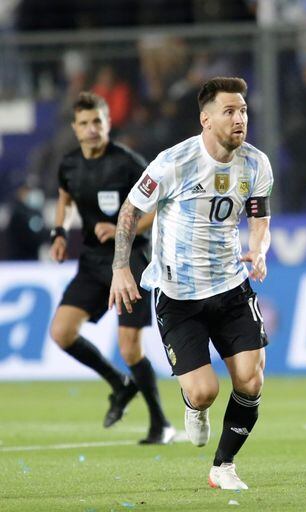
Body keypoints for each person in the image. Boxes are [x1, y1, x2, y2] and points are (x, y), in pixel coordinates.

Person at [109, 77, 272, 491]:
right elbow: (130, 211)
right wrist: (121, 268)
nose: (240, 119)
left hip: (231, 286)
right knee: (204, 392)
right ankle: (192, 405)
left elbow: (259, 215)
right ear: (206, 119)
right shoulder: (174, 162)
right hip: (178, 295)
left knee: (251, 380)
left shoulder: (256, 164)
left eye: (243, 111)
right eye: (230, 112)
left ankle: (224, 466)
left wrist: (259, 248)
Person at [48, 92, 174, 445]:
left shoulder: (128, 163)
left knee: (130, 347)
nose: (92, 129)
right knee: (61, 332)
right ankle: (119, 383)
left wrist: (126, 227)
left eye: (98, 122)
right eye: (85, 123)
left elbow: (160, 203)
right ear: (75, 128)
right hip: (92, 261)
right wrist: (59, 232)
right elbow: (64, 196)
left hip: (131, 260)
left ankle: (160, 423)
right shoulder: (69, 164)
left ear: (108, 123)